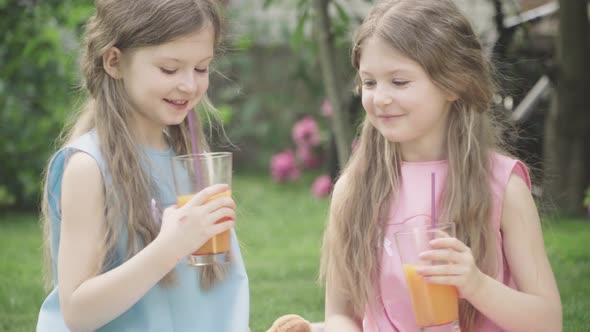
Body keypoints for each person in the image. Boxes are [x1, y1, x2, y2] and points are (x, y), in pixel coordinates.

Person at [319, 0, 562, 331]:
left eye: (399, 82)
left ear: (452, 83)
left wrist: (475, 285)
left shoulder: (503, 187)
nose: (380, 98)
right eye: (369, 82)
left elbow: (548, 322)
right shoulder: (354, 190)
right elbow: (339, 314)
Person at [37, 0, 249, 331]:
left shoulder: (190, 162)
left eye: (202, 68)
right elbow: (77, 313)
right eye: (169, 69)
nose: (190, 85)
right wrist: (171, 246)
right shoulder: (88, 168)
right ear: (114, 61)